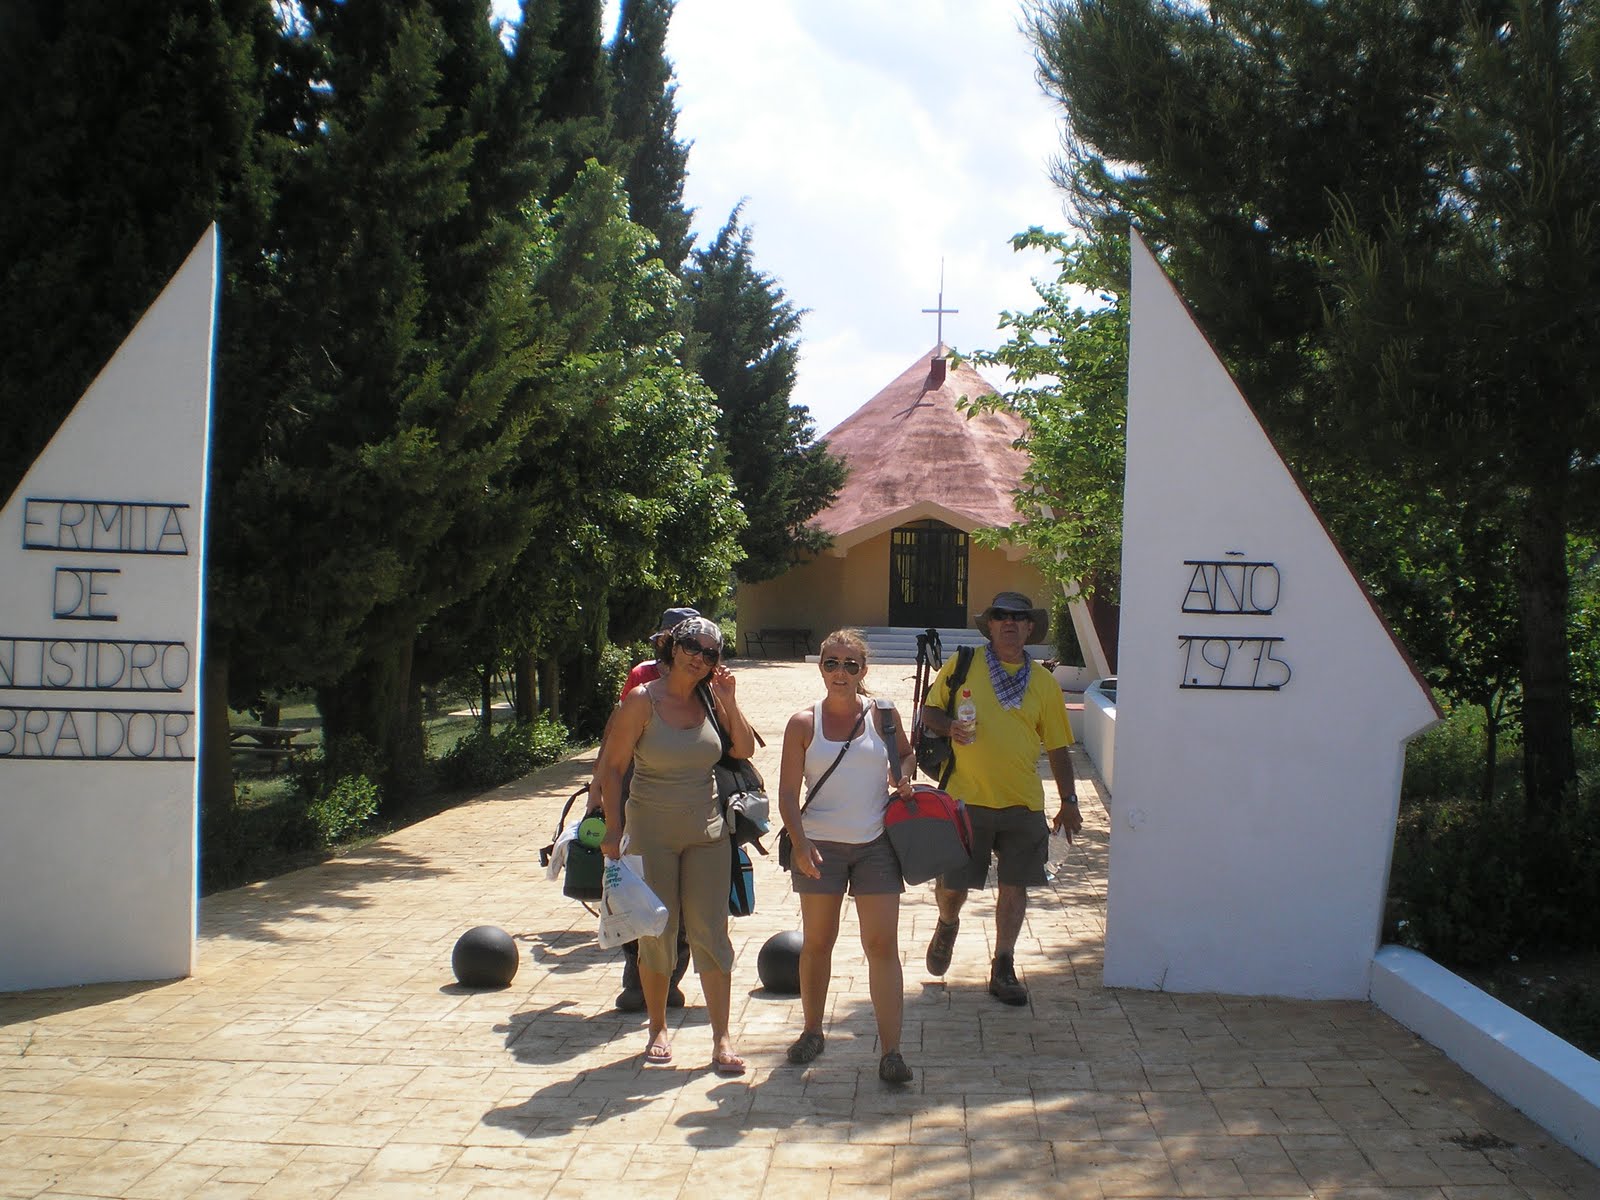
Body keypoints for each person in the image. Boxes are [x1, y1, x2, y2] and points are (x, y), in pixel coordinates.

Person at [594, 615, 754, 1074]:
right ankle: (658, 1027)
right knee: (656, 933)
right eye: (691, 647)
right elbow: (612, 768)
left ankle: (722, 1039)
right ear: (673, 647)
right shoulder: (642, 701)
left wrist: (729, 701)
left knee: (711, 933)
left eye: (710, 653)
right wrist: (612, 829)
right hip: (651, 834)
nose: (699, 658)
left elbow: (743, 749)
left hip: (707, 833)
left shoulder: (711, 698)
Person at [919, 591, 1082, 1006]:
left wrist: (1069, 801)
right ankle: (947, 922)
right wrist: (950, 727)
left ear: (1030, 627)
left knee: (1015, 886)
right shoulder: (964, 664)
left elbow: (1059, 748)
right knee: (952, 886)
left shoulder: (1044, 683)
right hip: (965, 800)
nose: (1010, 622)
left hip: (1022, 804)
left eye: (1018, 617)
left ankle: (1003, 964)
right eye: (1001, 616)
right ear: (990, 625)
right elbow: (929, 712)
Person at [777, 629, 918, 1084]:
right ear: (820, 667)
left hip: (876, 844)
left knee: (882, 946)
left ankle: (892, 1052)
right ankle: (812, 1031)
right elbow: (787, 794)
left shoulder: (884, 715)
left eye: (850, 664)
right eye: (832, 663)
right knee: (818, 943)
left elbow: (906, 755)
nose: (841, 672)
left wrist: (903, 776)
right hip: (820, 848)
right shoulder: (803, 723)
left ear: (863, 670)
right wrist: (800, 845)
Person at [612, 606, 699, 1013]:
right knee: (637, 887)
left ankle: (671, 979)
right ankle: (637, 977)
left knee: (685, 897)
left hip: (693, 803)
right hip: (640, 794)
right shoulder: (642, 676)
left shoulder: (709, 680)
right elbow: (617, 738)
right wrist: (602, 799)